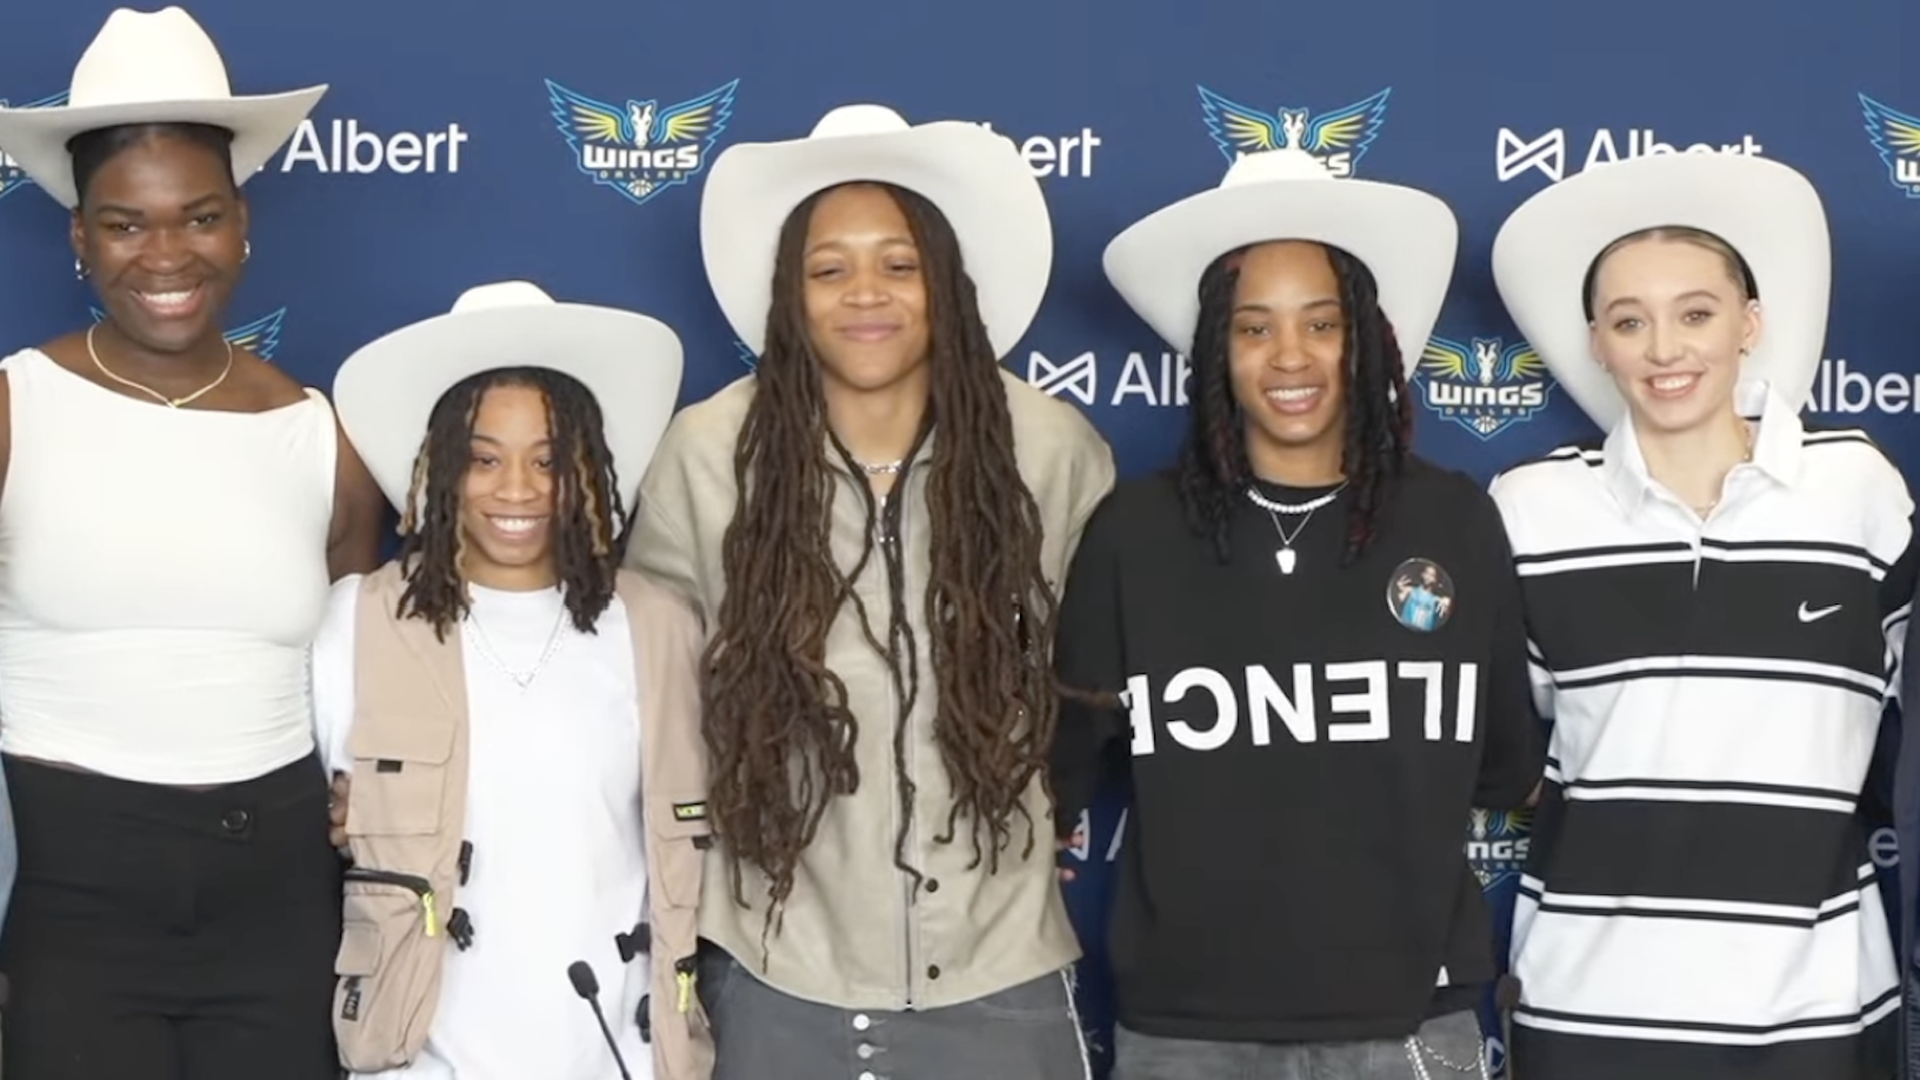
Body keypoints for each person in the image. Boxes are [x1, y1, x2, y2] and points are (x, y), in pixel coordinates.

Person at [626, 103, 1116, 1079]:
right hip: (778, 961)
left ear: (944, 281)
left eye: (898, 263)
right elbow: (644, 692)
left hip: (1002, 962)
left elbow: (1098, 680)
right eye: (829, 268)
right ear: (788, 294)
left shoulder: (1048, 448)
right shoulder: (710, 453)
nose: (866, 295)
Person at [1048, 146, 1543, 1080]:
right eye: (1253, 329)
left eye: (1322, 322)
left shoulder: (1451, 518)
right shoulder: (1136, 532)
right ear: (1216, 353)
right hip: (1187, 1029)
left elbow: (1503, 762)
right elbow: (1064, 765)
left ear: (1365, 337)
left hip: (1408, 1022)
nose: (1291, 357)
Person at [0, 7, 385, 1079]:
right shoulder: (13, 406)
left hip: (277, 893)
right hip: (65, 889)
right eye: (125, 223)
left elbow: (356, 660)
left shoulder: (320, 432)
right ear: (78, 237)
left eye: (199, 216)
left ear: (243, 224)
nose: (166, 254)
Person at [1487, 152, 1913, 1080]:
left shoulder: (1857, 490)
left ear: (1750, 324)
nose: (1665, 349)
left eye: (1696, 314)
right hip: (1587, 1008)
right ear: (1596, 342)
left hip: (1819, 1011)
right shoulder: (1528, 509)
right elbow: (1492, 746)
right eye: (1629, 321)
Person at [315, 280, 711, 1080]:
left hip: (617, 1055)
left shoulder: (660, 626)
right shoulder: (357, 621)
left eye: (549, 460)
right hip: (417, 1060)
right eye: (484, 460)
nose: (519, 490)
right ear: (439, 469)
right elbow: (323, 821)